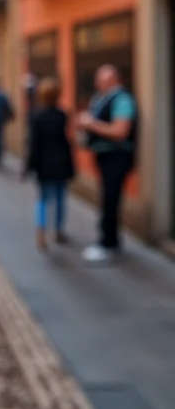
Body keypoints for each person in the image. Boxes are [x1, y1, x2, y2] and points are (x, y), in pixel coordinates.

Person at [77, 65, 137, 264]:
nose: (97, 84)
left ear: (113, 80)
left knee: (111, 199)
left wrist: (90, 124)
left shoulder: (122, 100)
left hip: (116, 157)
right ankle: (109, 240)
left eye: (101, 80)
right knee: (107, 198)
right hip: (105, 156)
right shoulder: (101, 98)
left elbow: (120, 131)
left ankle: (108, 243)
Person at [24, 78, 75, 252]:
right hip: (60, 162)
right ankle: (59, 230)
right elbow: (66, 142)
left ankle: (41, 233)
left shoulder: (36, 116)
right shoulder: (62, 115)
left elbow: (34, 145)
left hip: (44, 165)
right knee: (60, 199)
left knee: (43, 200)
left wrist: (28, 167)